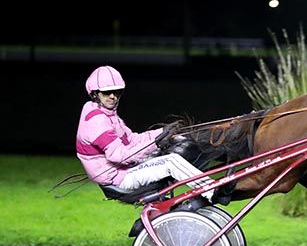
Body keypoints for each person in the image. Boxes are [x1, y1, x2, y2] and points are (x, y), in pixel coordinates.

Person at [75, 65, 214, 201]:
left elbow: (132, 140)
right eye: (107, 92)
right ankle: (212, 191)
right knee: (171, 162)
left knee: (178, 143)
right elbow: (119, 156)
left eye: (117, 92)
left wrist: (163, 132)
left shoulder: (107, 115)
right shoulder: (97, 121)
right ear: (95, 93)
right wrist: (157, 142)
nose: (113, 96)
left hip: (123, 170)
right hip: (118, 178)